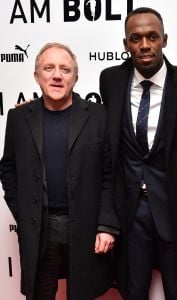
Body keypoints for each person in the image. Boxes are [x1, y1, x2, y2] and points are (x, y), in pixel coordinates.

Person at [99, 7, 177, 300]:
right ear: (125, 44)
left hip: (175, 209)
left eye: (152, 36)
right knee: (132, 290)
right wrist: (36, 110)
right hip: (131, 210)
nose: (145, 45)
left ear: (165, 39)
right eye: (135, 38)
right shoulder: (110, 80)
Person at [0, 42, 119, 300]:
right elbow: (8, 167)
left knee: (82, 293)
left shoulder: (99, 116)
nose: (56, 75)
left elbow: (110, 174)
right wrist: (22, 211)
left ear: (75, 77)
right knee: (41, 293)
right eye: (48, 68)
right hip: (39, 228)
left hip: (85, 226)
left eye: (65, 69)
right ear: (36, 76)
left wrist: (107, 225)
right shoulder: (18, 118)